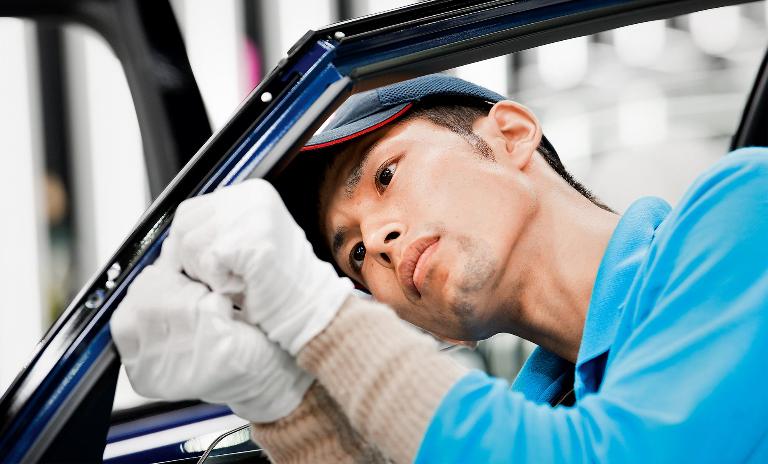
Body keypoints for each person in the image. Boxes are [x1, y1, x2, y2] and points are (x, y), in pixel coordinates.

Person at [110, 74, 768, 463]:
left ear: (509, 135)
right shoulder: (535, 412)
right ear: (436, 332)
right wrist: (282, 406)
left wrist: (320, 316)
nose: (380, 239)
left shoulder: (745, 207)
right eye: (355, 256)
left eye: (388, 175)